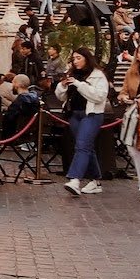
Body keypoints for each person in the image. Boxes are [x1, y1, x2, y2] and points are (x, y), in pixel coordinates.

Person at [57, 48, 109, 197]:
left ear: (87, 58)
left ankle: (75, 179)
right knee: (86, 146)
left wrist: (80, 85)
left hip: (91, 114)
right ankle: (95, 180)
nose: (75, 61)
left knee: (82, 146)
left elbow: (99, 97)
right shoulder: (72, 74)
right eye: (74, 59)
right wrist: (63, 86)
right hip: (74, 114)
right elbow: (61, 97)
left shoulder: (98, 76)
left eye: (78, 58)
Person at [121, 39, 140, 203]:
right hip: (134, 115)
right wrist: (124, 97)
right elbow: (123, 91)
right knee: (133, 149)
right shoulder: (130, 72)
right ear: (137, 55)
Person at [2, 74, 40, 139]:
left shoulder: (19, 102)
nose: (12, 85)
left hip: (15, 134)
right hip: (33, 132)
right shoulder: (36, 100)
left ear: (17, 84)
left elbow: (9, 117)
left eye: (13, 82)